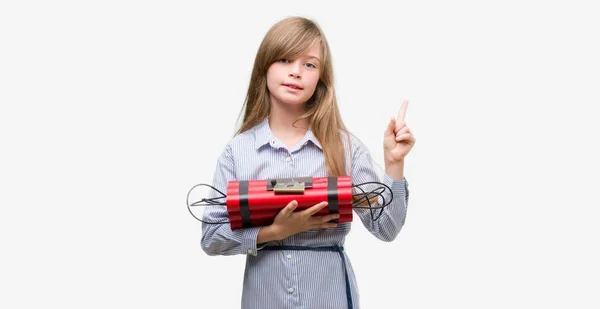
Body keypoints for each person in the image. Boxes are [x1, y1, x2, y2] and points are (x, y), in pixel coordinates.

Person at [200, 16, 415, 309]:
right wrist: (275, 232)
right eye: (285, 59)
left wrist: (394, 164)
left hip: (330, 297)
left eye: (310, 64)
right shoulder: (238, 151)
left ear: (321, 78)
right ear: (265, 66)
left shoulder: (345, 147)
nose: (296, 72)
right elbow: (212, 238)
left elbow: (386, 229)